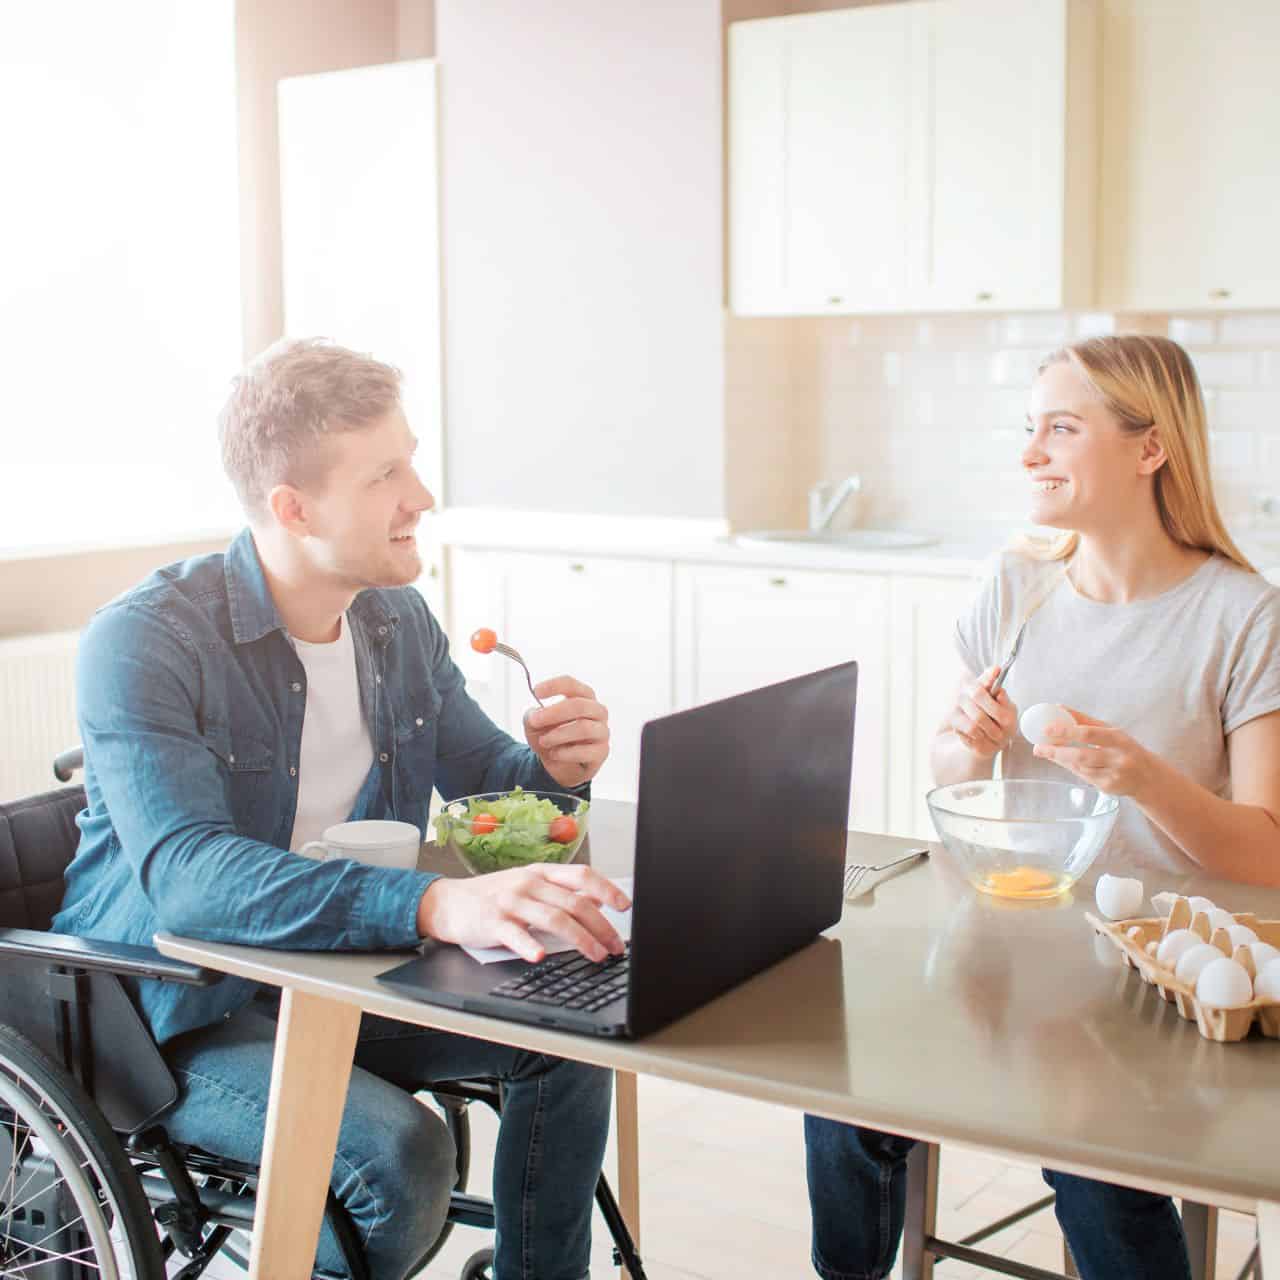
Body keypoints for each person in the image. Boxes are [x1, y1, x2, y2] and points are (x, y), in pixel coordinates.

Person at [53, 337, 632, 1280]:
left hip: (328, 973)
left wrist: (557, 770)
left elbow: (488, 783)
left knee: (568, 1042)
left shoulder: (395, 621)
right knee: (400, 1159)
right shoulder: (146, 639)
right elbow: (188, 880)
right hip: (170, 1011)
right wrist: (434, 906)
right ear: (294, 507)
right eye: (386, 474)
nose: (423, 496)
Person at [804, 334, 1280, 1280]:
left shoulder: (1244, 616)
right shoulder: (1017, 587)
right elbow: (951, 771)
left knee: (1094, 1163)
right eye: (1031, 428)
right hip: (1007, 941)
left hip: (1152, 977)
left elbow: (1265, 855)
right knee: (843, 1090)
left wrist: (1141, 774)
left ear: (1151, 449)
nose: (1030, 454)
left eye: (1061, 429)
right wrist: (965, 740)